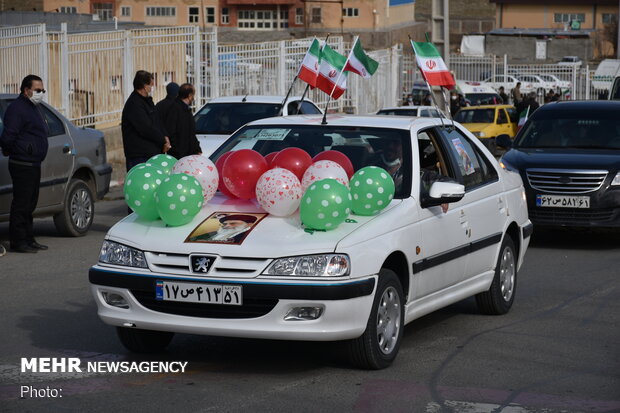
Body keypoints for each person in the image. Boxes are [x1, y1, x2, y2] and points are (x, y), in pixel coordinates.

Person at [0, 74, 49, 253]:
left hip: (33, 163)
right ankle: (18, 241)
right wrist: (19, 150)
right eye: (37, 90)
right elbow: (8, 137)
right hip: (22, 164)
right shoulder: (17, 108)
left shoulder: (34, 107)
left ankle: (29, 238)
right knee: (21, 203)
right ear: (26, 90)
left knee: (30, 203)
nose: (41, 93)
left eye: (42, 90)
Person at [121, 70, 171, 173]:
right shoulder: (134, 104)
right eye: (151, 84)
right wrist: (162, 140)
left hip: (152, 153)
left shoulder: (147, 101)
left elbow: (157, 121)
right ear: (144, 86)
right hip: (140, 155)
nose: (152, 87)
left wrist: (165, 137)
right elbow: (145, 128)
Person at [163, 83, 202, 159]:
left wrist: (197, 148)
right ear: (189, 95)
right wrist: (177, 150)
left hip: (187, 153)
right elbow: (171, 131)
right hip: (179, 154)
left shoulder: (184, 109)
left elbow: (191, 133)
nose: (193, 98)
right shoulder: (175, 109)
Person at [190, 214, 258, 243]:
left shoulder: (249, 237)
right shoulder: (213, 233)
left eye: (233, 223)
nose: (227, 226)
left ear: (249, 224)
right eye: (225, 224)